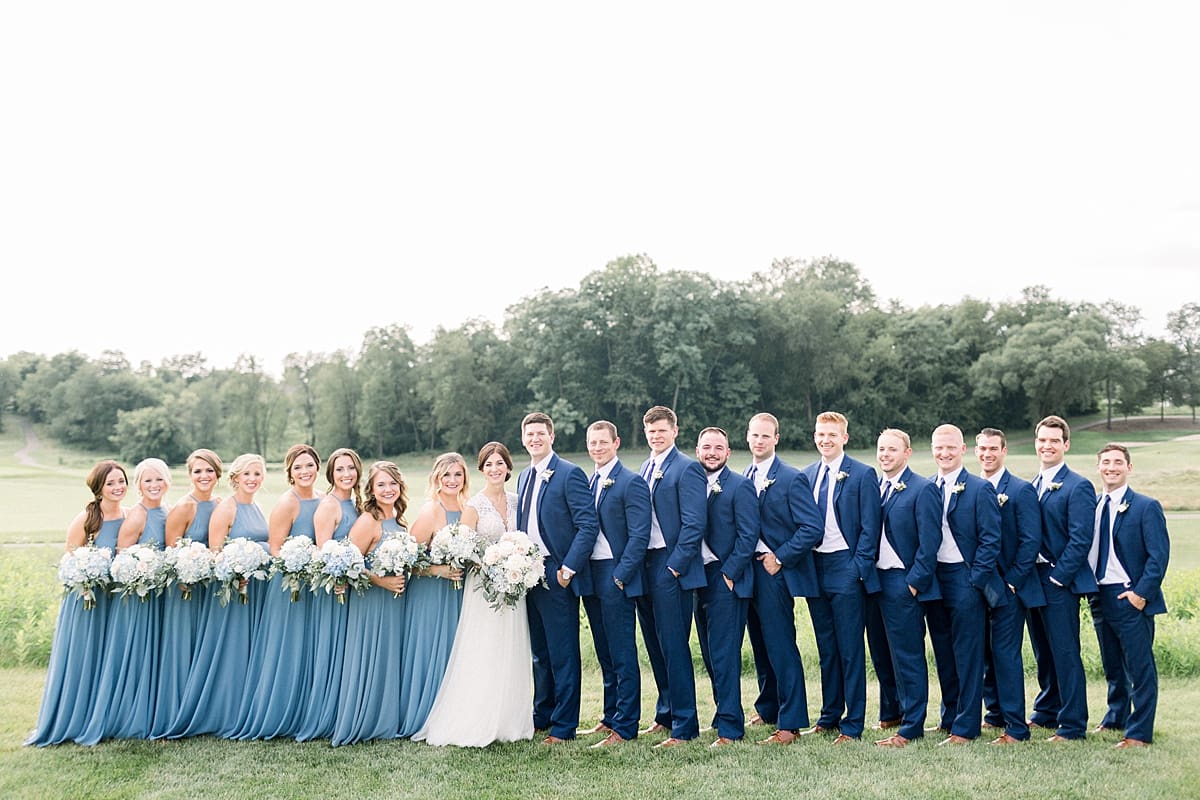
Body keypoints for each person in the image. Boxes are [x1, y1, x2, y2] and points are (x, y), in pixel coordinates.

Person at [415, 442, 536, 747]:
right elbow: (464, 549)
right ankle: (477, 718)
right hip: (483, 590)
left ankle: (511, 719)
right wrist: (490, 564)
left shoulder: (517, 500)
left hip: (513, 588)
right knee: (484, 650)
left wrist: (519, 563)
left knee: (512, 649)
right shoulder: (474, 506)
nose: (495, 469)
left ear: (508, 468)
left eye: (500, 463)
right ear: (481, 470)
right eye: (489, 464)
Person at [166, 453, 270, 739]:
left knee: (248, 650)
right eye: (247, 474)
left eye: (257, 474)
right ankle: (223, 710)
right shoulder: (226, 509)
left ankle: (244, 706)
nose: (252, 479)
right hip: (232, 590)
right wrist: (238, 568)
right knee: (229, 650)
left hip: (254, 589)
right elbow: (216, 553)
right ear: (235, 477)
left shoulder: (255, 506)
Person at [26, 460, 127, 746]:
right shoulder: (86, 519)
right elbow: (69, 561)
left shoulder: (130, 515)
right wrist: (87, 576)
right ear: (98, 488)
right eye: (110, 483)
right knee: (85, 657)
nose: (117, 487)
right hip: (86, 601)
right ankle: (74, 718)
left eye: (121, 481)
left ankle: (105, 716)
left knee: (107, 658)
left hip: (114, 602)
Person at [516, 412, 599, 744]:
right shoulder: (524, 476)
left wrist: (568, 570)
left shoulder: (569, 473)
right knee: (540, 651)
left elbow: (587, 525)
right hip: (525, 573)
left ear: (552, 437)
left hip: (556, 572)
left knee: (563, 651)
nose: (535, 439)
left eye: (540, 433)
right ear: (523, 439)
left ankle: (565, 725)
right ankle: (544, 714)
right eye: (529, 434)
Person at [741, 412, 822, 745]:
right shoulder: (745, 474)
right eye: (754, 435)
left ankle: (791, 723)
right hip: (749, 570)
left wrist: (781, 557)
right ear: (747, 438)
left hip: (774, 571)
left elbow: (812, 527)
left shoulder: (790, 477)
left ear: (776, 439)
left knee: (780, 644)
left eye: (765, 436)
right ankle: (769, 706)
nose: (759, 441)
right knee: (759, 643)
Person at [78, 457, 172, 744]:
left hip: (157, 595)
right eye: (147, 480)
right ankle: (127, 714)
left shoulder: (165, 511)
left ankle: (148, 711)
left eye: (159, 479)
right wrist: (141, 571)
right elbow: (122, 557)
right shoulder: (136, 515)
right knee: (132, 654)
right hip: (135, 596)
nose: (154, 485)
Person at [234, 444, 323, 739]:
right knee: (288, 647)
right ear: (289, 473)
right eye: (298, 467)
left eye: (309, 465)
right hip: (290, 584)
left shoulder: (323, 500)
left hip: (315, 585)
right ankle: (279, 712)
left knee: (308, 647)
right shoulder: (288, 502)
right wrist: (297, 564)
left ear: (317, 468)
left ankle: (308, 709)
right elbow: (275, 548)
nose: (304, 471)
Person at [801, 411, 880, 745]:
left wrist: (856, 569)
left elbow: (870, 528)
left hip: (845, 567)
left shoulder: (862, 474)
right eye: (821, 434)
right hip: (815, 568)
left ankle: (853, 723)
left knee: (850, 649)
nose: (825, 440)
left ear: (844, 438)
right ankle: (829, 716)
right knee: (827, 648)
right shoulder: (807, 475)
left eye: (832, 435)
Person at [924, 424, 1004, 746]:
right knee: (943, 650)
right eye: (938, 447)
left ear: (962, 450)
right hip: (935, 579)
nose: (944, 453)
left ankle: (967, 726)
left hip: (965, 578)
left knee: (968, 654)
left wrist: (975, 581)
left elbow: (990, 540)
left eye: (950, 447)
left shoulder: (978, 488)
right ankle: (949, 716)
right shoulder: (927, 487)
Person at [1087, 444, 1170, 749]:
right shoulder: (1094, 505)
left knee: (1139, 667)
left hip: (1130, 596)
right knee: (1112, 665)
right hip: (1099, 594)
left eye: (1118, 462)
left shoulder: (1145, 506)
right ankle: (1115, 717)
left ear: (1129, 467)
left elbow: (1158, 556)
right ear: (1098, 467)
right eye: (1106, 462)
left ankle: (1139, 733)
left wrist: (1140, 595)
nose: (1111, 467)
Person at [634, 405, 706, 748]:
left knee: (675, 646)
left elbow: (694, 524)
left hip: (672, 566)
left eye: (662, 430)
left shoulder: (687, 469)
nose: (656, 436)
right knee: (655, 644)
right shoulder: (645, 467)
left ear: (674, 431)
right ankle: (665, 714)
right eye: (651, 431)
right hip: (645, 564)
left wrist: (675, 566)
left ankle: (685, 724)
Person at [578, 421, 651, 748]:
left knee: (622, 652)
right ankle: (609, 717)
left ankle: (625, 725)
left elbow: (639, 535)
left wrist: (621, 575)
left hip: (615, 573)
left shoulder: (631, 482)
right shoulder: (589, 480)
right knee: (605, 651)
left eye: (603, 442)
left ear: (616, 442)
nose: (597, 447)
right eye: (592, 443)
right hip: (591, 574)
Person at [1026, 415, 1096, 741]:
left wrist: (1059, 578)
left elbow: (1081, 539)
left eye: (1054, 440)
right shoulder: (1032, 485)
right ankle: (1047, 711)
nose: (1047, 446)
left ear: (1065, 445)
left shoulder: (1078, 485)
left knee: (1065, 651)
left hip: (1058, 580)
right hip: (1032, 578)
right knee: (1043, 650)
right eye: (1042, 440)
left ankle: (1073, 724)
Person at [331, 461, 410, 746]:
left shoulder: (399, 519)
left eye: (392, 484)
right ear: (371, 490)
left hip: (396, 603)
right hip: (372, 602)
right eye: (381, 485)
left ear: (400, 487)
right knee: (370, 656)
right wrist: (381, 581)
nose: (388, 489)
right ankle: (363, 718)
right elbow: (349, 565)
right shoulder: (368, 520)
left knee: (389, 657)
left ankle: (387, 717)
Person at [871, 429, 941, 749]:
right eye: (881, 449)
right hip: (877, 582)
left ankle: (912, 726)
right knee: (884, 653)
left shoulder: (922, 488)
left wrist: (914, 583)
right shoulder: (877, 487)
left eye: (892, 450)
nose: (885, 454)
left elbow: (930, 543)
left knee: (908, 655)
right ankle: (894, 712)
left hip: (904, 581)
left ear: (907, 453)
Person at [975, 428, 1044, 745]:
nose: (986, 454)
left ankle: (1017, 727)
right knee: (987, 653)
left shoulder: (1019, 490)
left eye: (992, 448)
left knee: (1005, 655)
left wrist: (1013, 583)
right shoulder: (973, 488)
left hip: (1008, 588)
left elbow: (1031, 542)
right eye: (981, 448)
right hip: (978, 587)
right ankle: (995, 715)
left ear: (1004, 451)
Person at [398, 452, 474, 737]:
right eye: (447, 475)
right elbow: (409, 561)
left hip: (457, 594)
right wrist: (437, 570)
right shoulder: (432, 510)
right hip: (431, 594)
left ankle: (454, 713)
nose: (452, 480)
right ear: (437, 478)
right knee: (432, 651)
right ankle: (424, 714)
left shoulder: (468, 508)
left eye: (458, 474)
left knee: (456, 651)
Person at [692, 427, 758, 747]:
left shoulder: (740, 487)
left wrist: (730, 573)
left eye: (719, 447)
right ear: (697, 450)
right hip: (697, 577)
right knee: (708, 652)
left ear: (728, 453)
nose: (712, 452)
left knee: (724, 653)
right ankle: (723, 712)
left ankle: (731, 728)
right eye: (707, 447)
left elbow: (748, 536)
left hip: (725, 577)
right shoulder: (692, 485)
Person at [152, 449, 223, 739]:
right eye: (197, 471)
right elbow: (172, 551)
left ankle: (206, 709)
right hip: (186, 590)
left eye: (209, 471)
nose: (203, 476)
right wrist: (189, 571)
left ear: (218, 474)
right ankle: (179, 710)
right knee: (185, 648)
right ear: (189, 475)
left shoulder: (220, 504)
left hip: (212, 589)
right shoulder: (185, 507)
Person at [295, 447, 363, 742]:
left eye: (351, 468)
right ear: (331, 474)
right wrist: (339, 578)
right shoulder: (329, 505)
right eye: (340, 470)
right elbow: (324, 549)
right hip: (335, 589)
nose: (346, 474)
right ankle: (326, 714)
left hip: (354, 589)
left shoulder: (357, 503)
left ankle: (343, 710)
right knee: (331, 649)